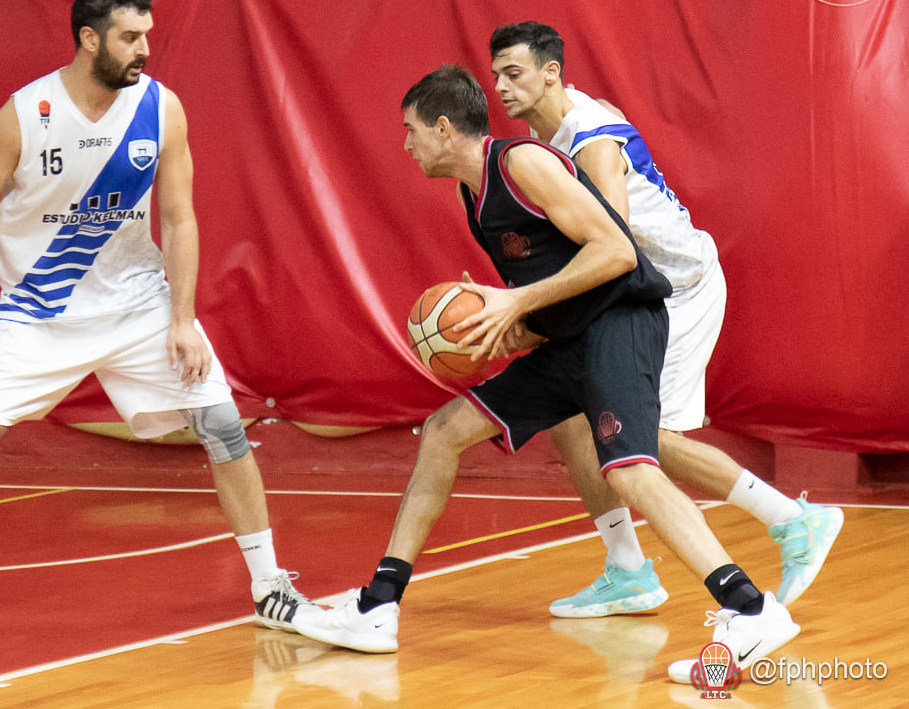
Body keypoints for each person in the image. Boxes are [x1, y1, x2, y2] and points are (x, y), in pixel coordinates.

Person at [294, 65, 800, 683]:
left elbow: (616, 252)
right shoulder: (471, 195)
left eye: (411, 131)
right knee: (444, 431)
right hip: (569, 336)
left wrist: (518, 304)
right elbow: (541, 291)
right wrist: (503, 325)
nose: (406, 144)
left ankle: (750, 609)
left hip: (623, 322)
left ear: (446, 128)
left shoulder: (522, 164)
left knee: (632, 470)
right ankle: (378, 607)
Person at [0, 0, 319, 649]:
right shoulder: (26, 113)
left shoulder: (160, 108)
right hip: (39, 307)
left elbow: (179, 216)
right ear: (89, 40)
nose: (145, 47)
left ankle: (270, 587)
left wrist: (181, 318)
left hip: (138, 302)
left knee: (223, 425)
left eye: (147, 33)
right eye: (129, 36)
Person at [487, 21, 843, 619]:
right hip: (634, 295)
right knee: (573, 419)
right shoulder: (558, 123)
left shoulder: (592, 145)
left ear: (551, 73)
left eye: (513, 73)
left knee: (642, 440)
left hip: (673, 290)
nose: (499, 85)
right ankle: (627, 569)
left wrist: (528, 309)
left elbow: (614, 249)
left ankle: (795, 519)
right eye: (495, 74)